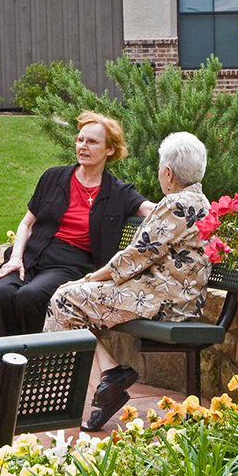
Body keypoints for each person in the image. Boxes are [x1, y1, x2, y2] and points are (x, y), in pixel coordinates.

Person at [44, 132, 212, 431]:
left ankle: (106, 382)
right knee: (67, 302)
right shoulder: (200, 202)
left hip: (163, 301)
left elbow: (137, 255)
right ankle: (108, 379)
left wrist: (90, 277)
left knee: (63, 299)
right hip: (170, 294)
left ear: (168, 172)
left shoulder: (175, 204)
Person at [0, 112, 152, 337]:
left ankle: (30, 362)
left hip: (71, 265)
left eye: (92, 142)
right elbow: (26, 223)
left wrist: (192, 208)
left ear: (109, 150)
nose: (83, 146)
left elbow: (154, 210)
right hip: (33, 256)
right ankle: (15, 361)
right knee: (1, 295)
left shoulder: (118, 192)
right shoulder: (53, 177)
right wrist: (16, 259)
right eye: (80, 139)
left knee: (29, 297)